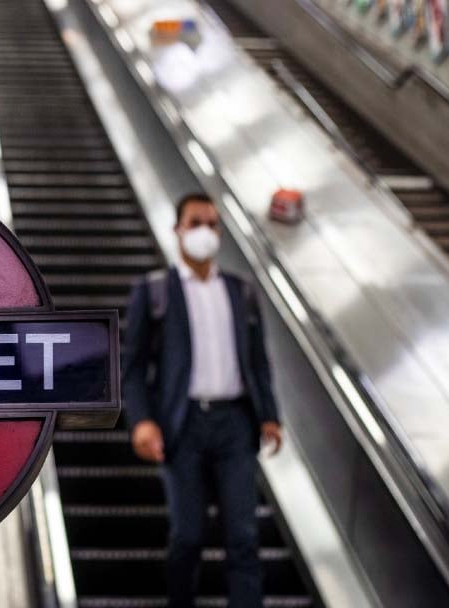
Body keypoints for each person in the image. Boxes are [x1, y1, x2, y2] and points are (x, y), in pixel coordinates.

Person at [121, 193, 283, 608]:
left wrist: (270, 416)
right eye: (196, 223)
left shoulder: (241, 292)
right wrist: (142, 420)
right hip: (183, 424)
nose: (205, 232)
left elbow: (258, 361)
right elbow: (133, 367)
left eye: (212, 224)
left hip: (235, 424)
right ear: (177, 229)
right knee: (187, 536)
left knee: (243, 537)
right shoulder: (154, 291)